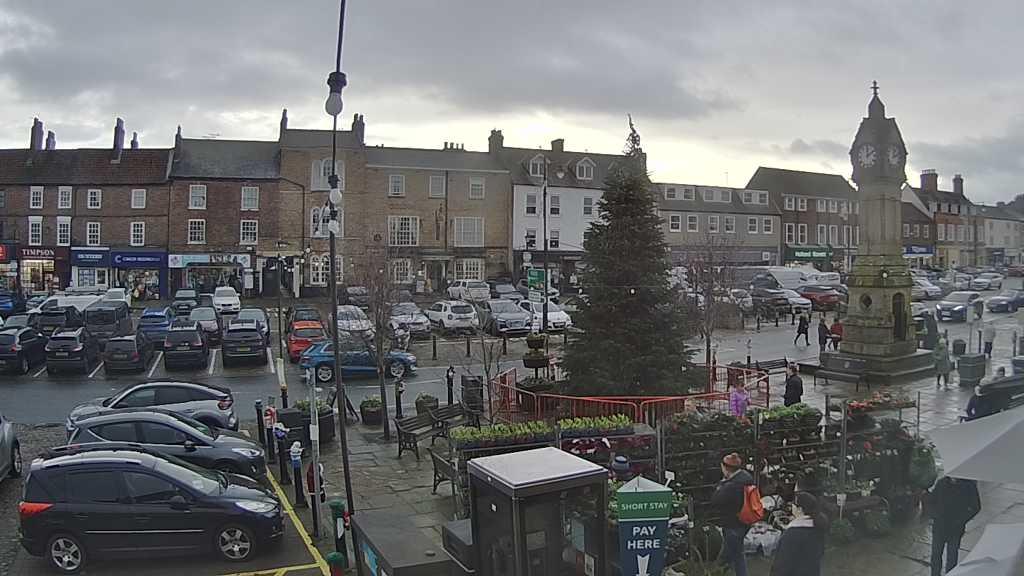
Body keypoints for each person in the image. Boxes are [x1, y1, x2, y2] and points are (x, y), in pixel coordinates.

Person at [711, 453, 754, 576]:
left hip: (732, 524)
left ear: (725, 468)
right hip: (744, 522)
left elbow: (715, 500)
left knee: (737, 556)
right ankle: (719, 571)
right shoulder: (746, 478)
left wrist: (721, 484)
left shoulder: (730, 486)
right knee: (729, 551)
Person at [928, 476, 981, 576]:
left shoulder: (968, 486)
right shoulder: (942, 483)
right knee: (936, 555)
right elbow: (931, 501)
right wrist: (935, 515)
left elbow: (976, 507)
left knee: (952, 557)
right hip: (940, 527)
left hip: (955, 529)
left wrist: (962, 520)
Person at [770, 492, 828, 576]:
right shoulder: (817, 528)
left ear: (800, 509)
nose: (791, 505)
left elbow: (782, 564)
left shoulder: (792, 534)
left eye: (793, 503)